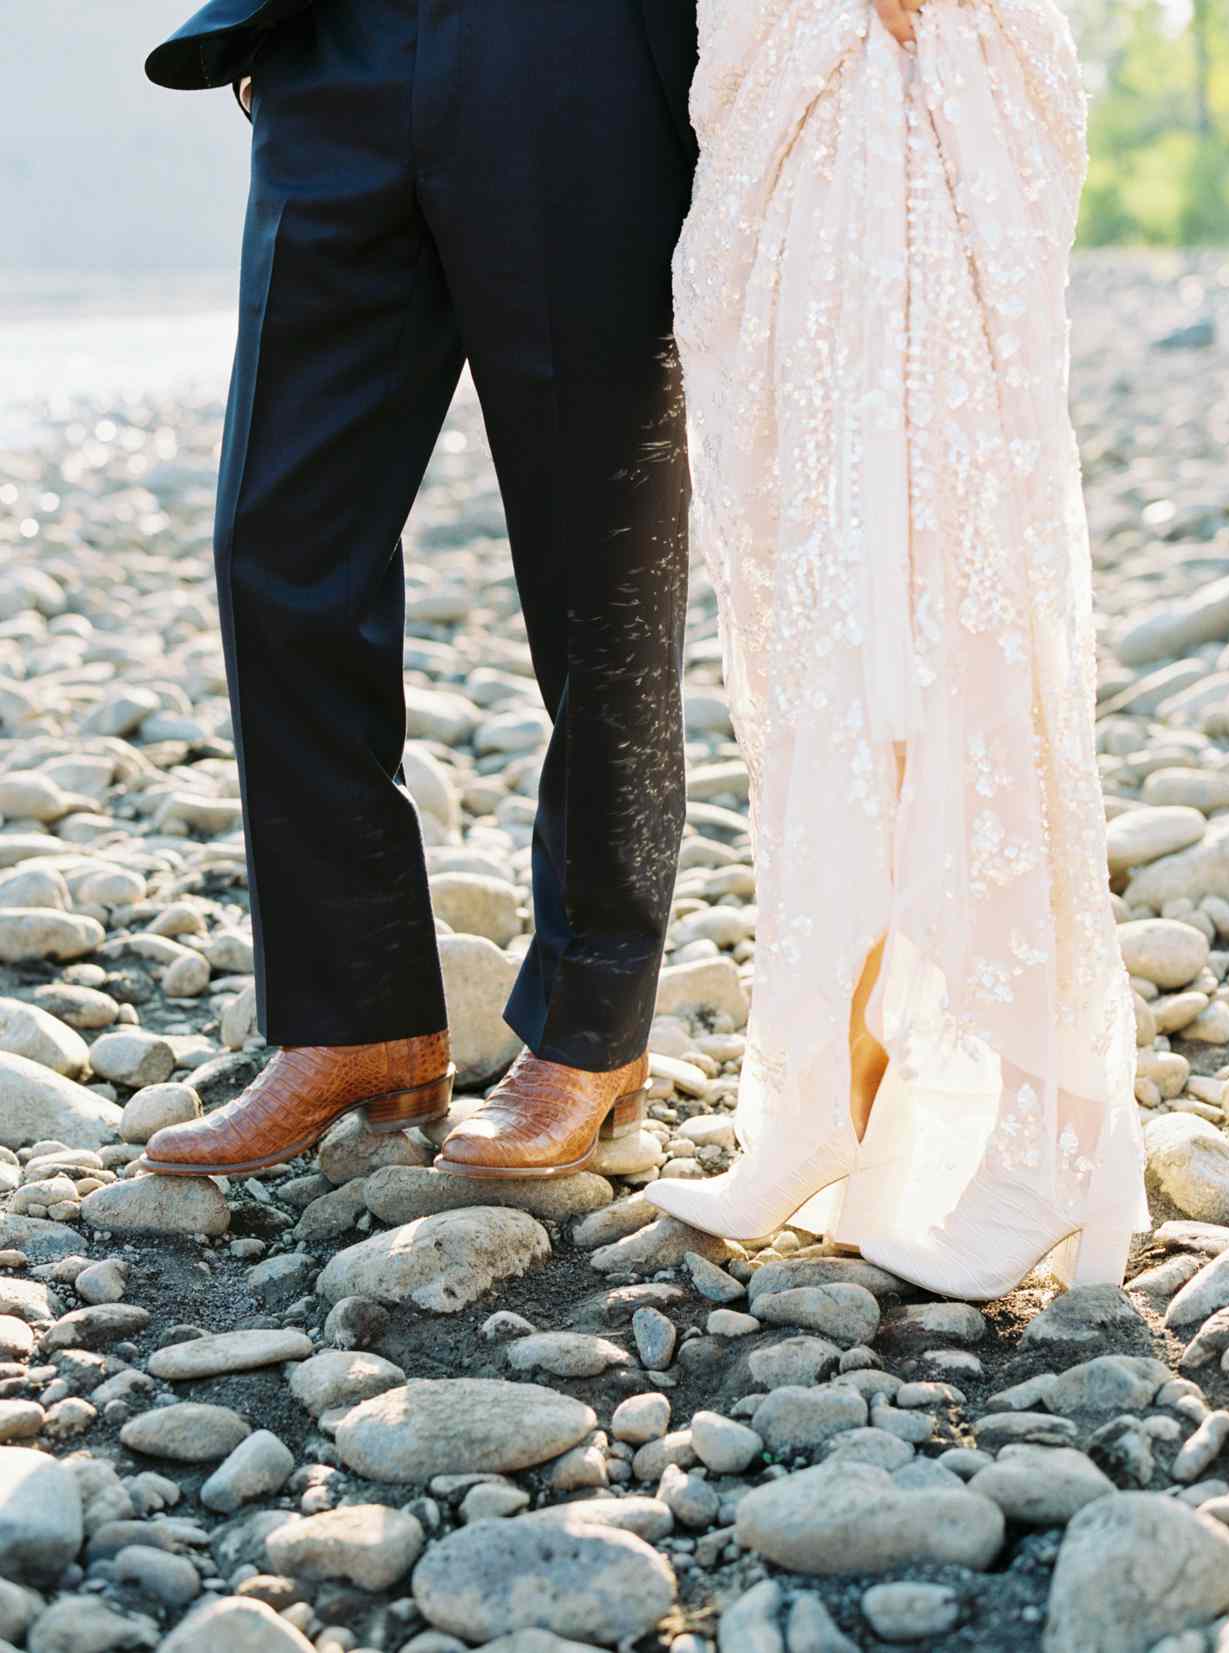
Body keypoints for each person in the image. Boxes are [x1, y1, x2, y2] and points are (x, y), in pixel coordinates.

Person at [136, 0, 697, 1180]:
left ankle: (592, 1028)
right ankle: (357, 1021)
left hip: (574, 51)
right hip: (329, 44)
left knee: (595, 565)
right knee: (278, 547)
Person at [644, 0, 1150, 1298]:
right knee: (822, 600)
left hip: (917, 63)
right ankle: (826, 1085)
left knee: (952, 579)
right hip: (781, 66)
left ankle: (1044, 1122)